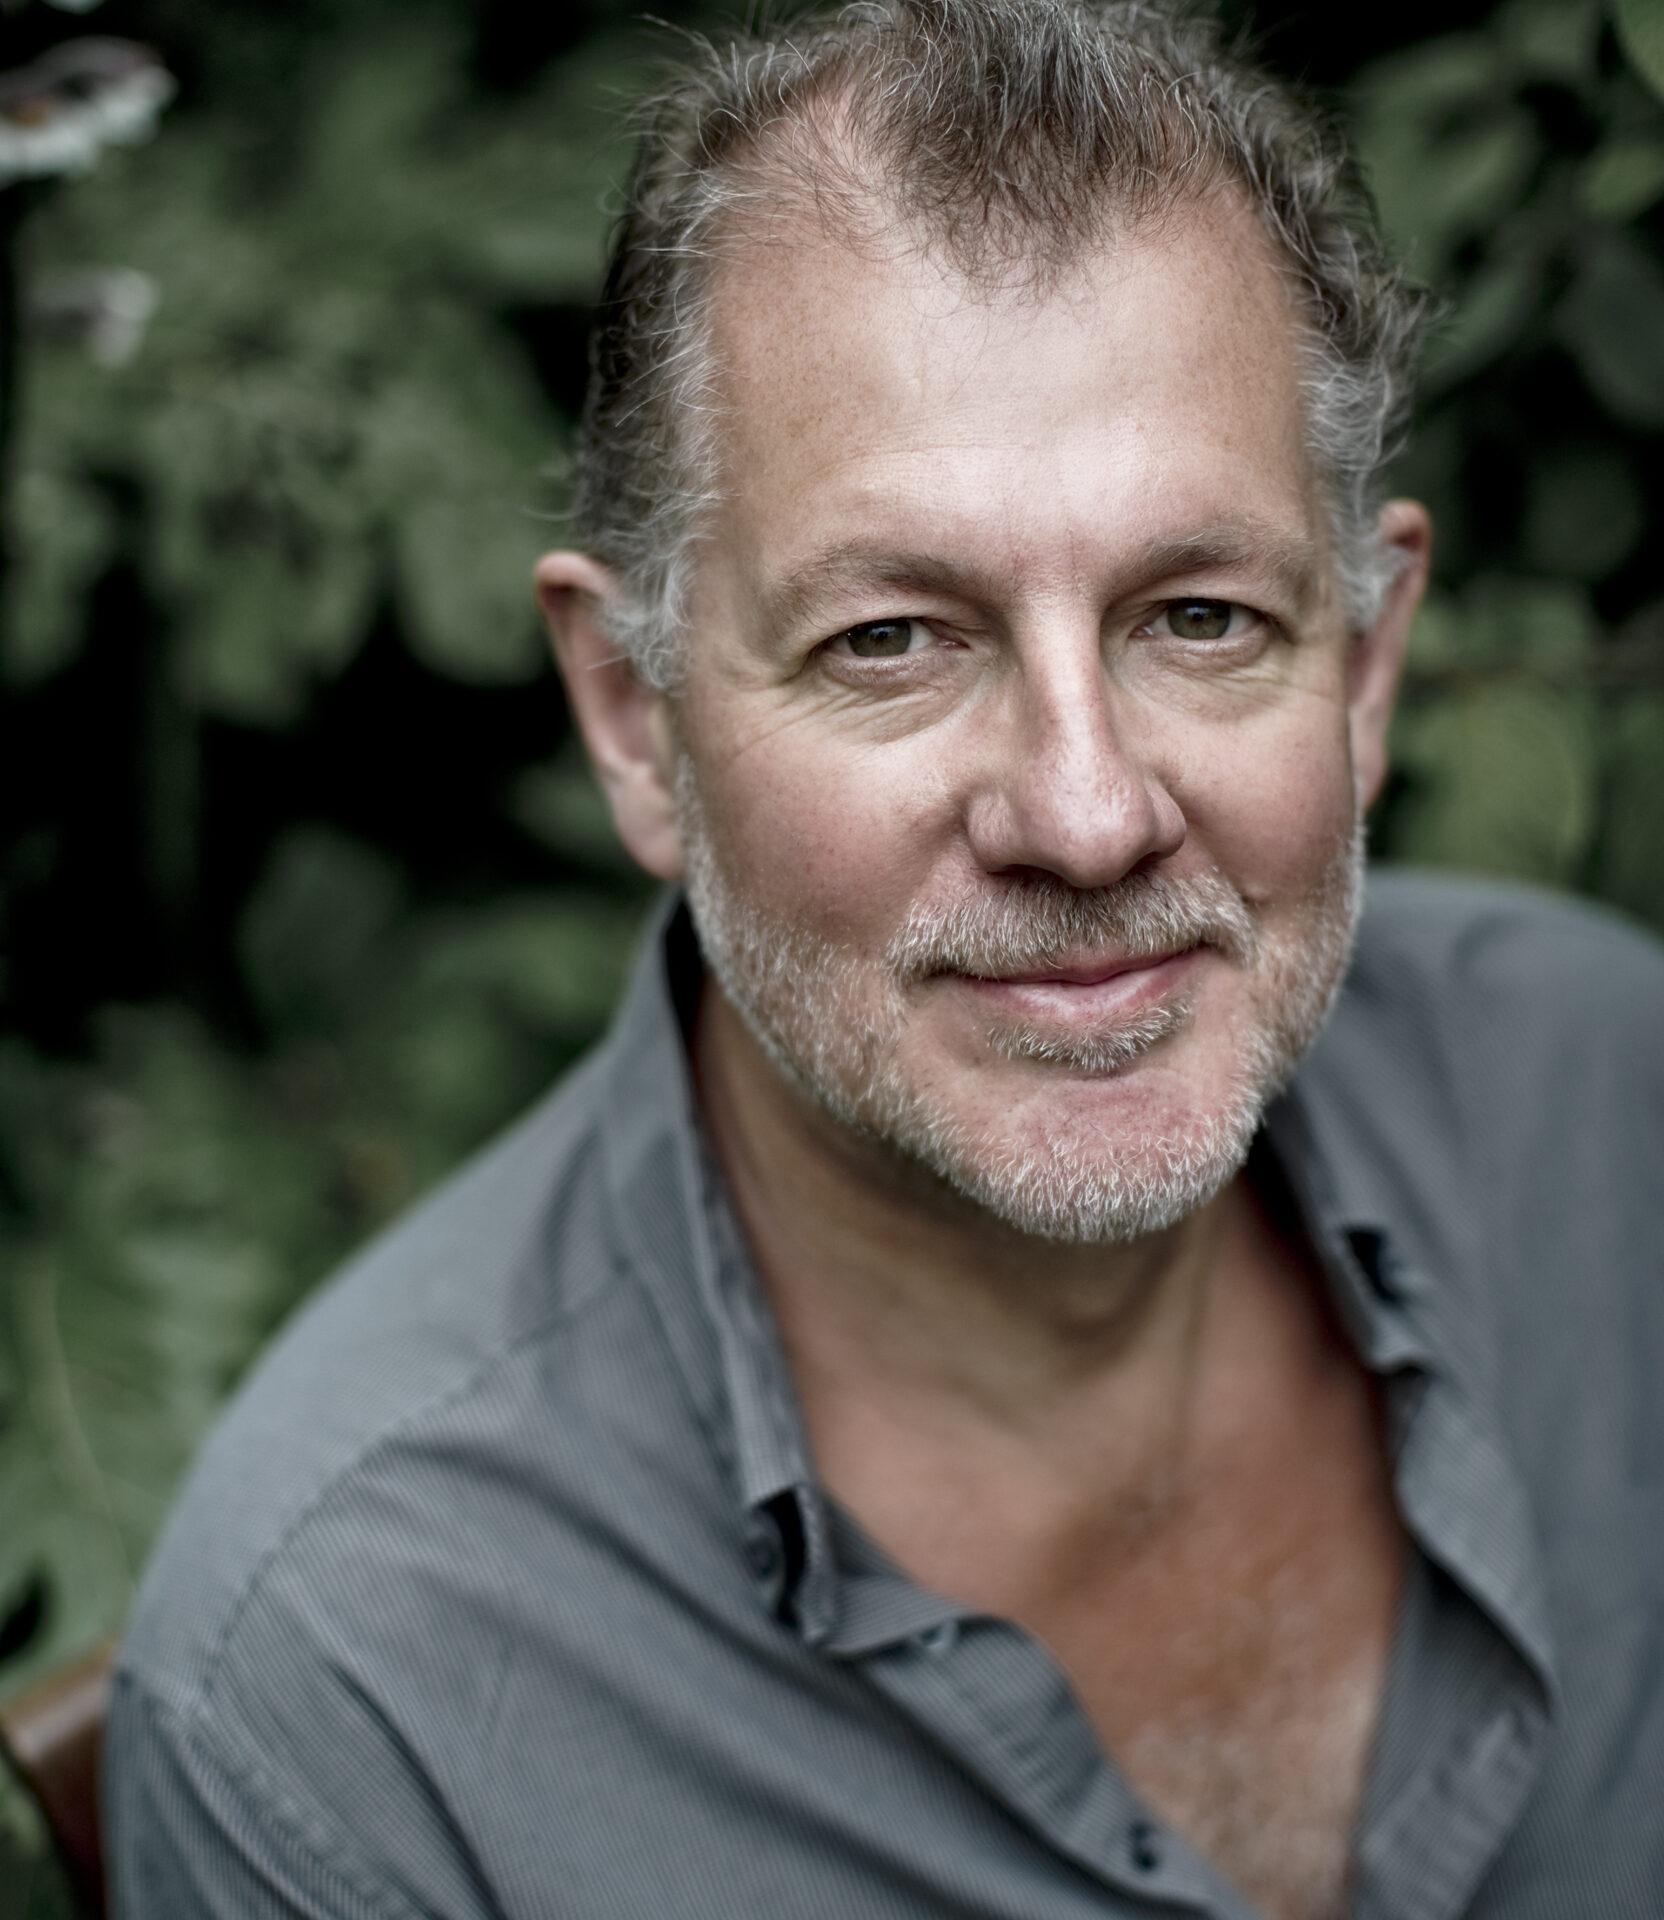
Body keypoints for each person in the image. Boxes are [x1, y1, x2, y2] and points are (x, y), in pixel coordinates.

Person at [105, 4, 1664, 1918]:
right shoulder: (358, 1696)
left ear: (1363, 665)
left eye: (1198, 615)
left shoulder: (1614, 1108)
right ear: (633, 719)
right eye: (889, 642)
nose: (1087, 818)